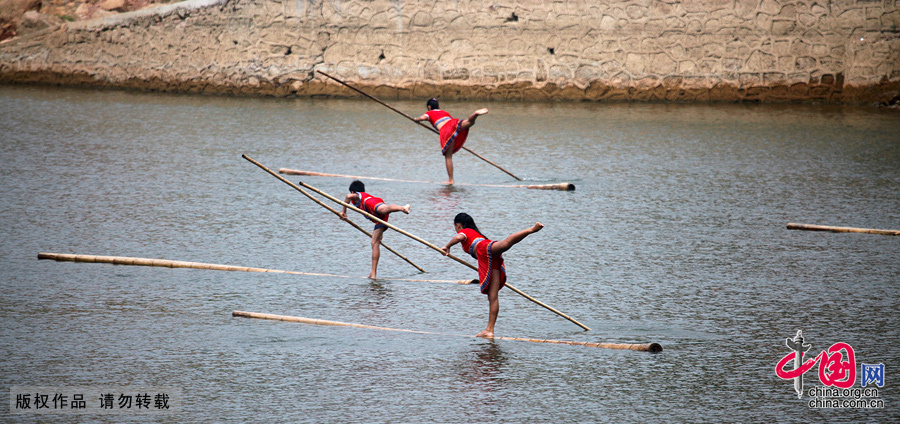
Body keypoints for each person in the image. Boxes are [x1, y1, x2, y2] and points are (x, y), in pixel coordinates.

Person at [441, 213, 543, 338]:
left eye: (455, 227)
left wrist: (447, 246)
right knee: (492, 297)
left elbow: (459, 237)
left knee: (505, 244)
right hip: (490, 257)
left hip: (484, 249)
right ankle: (489, 330)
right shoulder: (477, 233)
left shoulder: (466, 231)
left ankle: (531, 229)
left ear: (458, 225)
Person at [340, 180, 410, 279]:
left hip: (372, 203)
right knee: (375, 242)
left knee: (384, 210)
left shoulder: (356, 195)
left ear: (353, 191)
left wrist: (343, 211)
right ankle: (373, 273)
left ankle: (402, 208)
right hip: (378, 218)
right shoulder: (358, 197)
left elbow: (348, 197)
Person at [413, 98, 488, 184]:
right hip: (454, 122)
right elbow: (453, 127)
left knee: (448, 157)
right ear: (439, 106)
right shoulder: (445, 112)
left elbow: (423, 117)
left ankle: (451, 180)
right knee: (469, 122)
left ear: (429, 107)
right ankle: (475, 115)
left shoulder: (429, 113)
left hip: (446, 129)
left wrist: (417, 119)